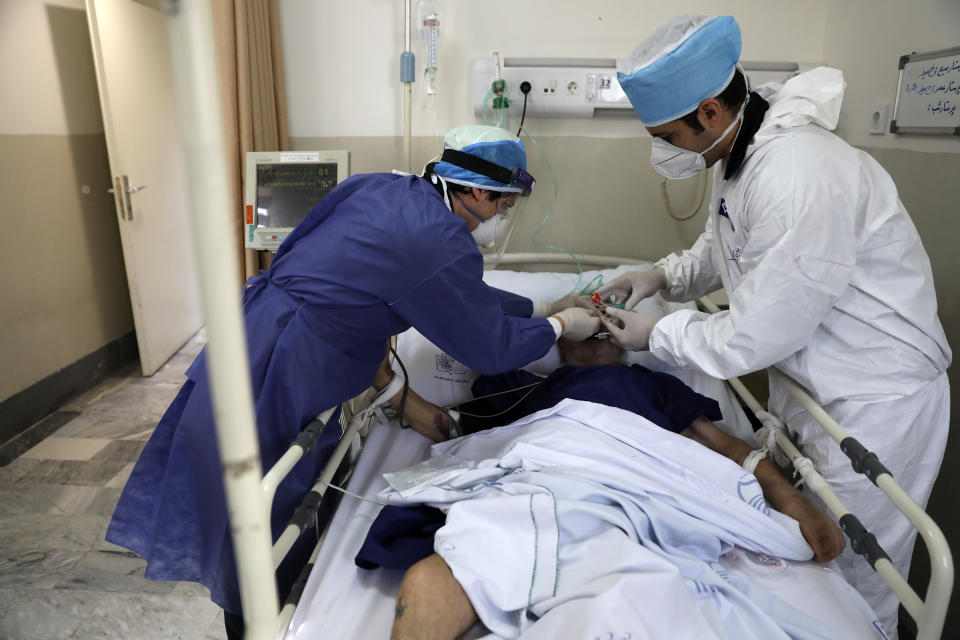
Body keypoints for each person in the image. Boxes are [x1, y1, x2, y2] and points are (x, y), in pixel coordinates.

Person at [105, 124, 601, 637]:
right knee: (260, 502)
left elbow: (452, 292)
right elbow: (490, 346)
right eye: (503, 204)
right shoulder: (440, 239)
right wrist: (560, 327)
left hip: (253, 328)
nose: (500, 216)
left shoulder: (380, 186)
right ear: (477, 190)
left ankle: (248, 603)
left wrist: (542, 306)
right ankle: (249, 618)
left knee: (228, 470)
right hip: (291, 360)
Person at [585, 15, 950, 637]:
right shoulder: (743, 152)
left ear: (707, 111)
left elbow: (757, 334)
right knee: (813, 554)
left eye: (666, 134)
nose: (662, 150)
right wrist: (661, 278)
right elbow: (722, 248)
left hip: (874, 399)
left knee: (856, 581)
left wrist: (656, 334)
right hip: (818, 384)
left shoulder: (799, 173)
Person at [384, 337, 846, 640]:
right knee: (446, 570)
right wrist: (394, 389)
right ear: (559, 341)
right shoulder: (524, 386)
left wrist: (792, 501)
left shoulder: (652, 383)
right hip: (549, 463)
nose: (598, 328)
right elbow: (462, 432)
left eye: (607, 322)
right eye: (586, 318)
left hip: (646, 474)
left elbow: (729, 450)